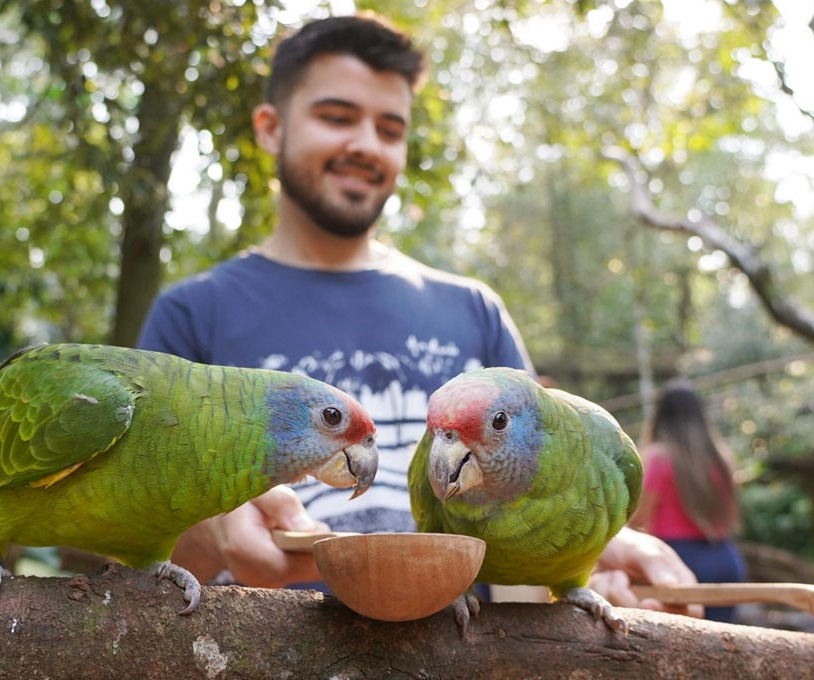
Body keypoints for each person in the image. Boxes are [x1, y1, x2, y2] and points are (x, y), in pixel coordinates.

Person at [138, 12, 699, 615]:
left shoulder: (474, 309)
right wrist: (210, 527)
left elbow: (537, 504)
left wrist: (610, 551)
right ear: (271, 129)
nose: (365, 145)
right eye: (336, 117)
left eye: (390, 127)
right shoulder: (191, 315)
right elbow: (127, 550)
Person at [629, 380, 747, 622]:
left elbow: (638, 517)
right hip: (724, 559)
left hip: (676, 564)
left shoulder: (658, 457)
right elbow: (731, 513)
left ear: (660, 414)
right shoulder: (722, 457)